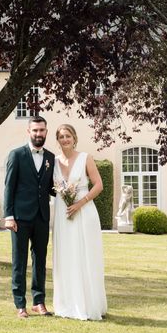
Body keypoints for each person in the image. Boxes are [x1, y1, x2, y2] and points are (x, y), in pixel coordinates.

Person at [52, 124, 107, 320]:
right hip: (62, 213)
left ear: (74, 138)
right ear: (57, 140)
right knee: (66, 255)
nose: (65, 139)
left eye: (68, 136)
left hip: (84, 212)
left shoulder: (86, 158)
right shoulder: (54, 161)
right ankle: (67, 303)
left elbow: (99, 185)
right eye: (61, 136)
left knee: (84, 256)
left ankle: (87, 304)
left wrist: (80, 203)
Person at [4, 116, 55, 318]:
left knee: (40, 260)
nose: (38, 134)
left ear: (46, 132)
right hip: (20, 218)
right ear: (29, 132)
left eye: (41, 130)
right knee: (19, 261)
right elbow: (9, 187)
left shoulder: (51, 157)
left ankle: (39, 301)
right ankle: (20, 304)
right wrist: (9, 216)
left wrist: (66, 191)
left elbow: (50, 186)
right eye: (35, 130)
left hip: (42, 216)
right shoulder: (16, 155)